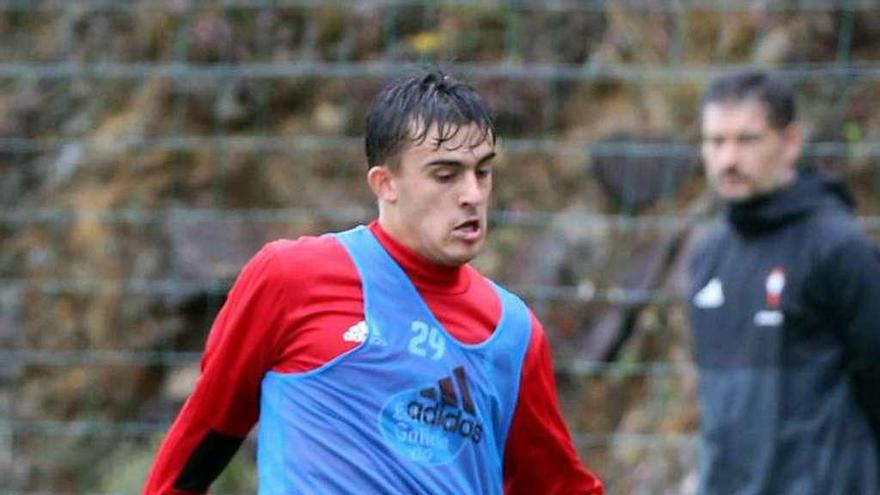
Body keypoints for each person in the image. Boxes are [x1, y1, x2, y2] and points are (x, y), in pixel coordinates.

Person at [143, 69, 603, 494]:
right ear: (385, 184)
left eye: (482, 172)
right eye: (446, 175)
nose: (472, 195)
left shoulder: (513, 334)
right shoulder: (292, 278)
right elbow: (206, 430)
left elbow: (558, 485)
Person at [688, 70, 880, 494]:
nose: (728, 159)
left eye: (747, 140)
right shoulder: (707, 256)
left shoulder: (839, 249)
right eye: (716, 142)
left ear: (790, 142)